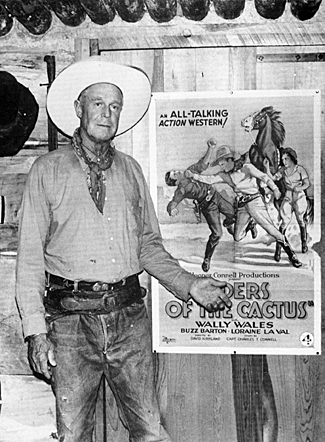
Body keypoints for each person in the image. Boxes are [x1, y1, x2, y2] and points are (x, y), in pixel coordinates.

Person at [15, 58, 231, 442]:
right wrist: (35, 332)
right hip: (69, 326)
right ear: (79, 109)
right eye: (97, 103)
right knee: (74, 434)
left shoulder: (131, 170)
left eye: (114, 106)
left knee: (149, 431)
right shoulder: (46, 171)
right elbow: (30, 259)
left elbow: (148, 246)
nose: (107, 113)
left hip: (129, 319)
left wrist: (191, 284)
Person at [186, 145, 302, 268]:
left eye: (222, 163)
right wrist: (193, 176)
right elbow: (209, 179)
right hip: (242, 206)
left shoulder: (247, 168)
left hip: (255, 203)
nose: (221, 166)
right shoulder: (224, 175)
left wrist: (275, 189)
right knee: (237, 237)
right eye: (220, 164)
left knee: (271, 230)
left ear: (230, 160)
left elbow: (264, 177)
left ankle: (292, 255)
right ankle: (251, 224)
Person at [165, 169, 236, 272]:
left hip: (216, 196)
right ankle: (207, 258)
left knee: (234, 215)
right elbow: (173, 202)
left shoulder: (189, 172)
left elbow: (201, 164)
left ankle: (228, 223)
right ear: (176, 182)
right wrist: (172, 210)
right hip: (209, 207)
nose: (178, 171)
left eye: (175, 171)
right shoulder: (181, 190)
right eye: (175, 174)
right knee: (217, 234)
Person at [264, 147, 311, 261]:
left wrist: (298, 188)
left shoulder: (300, 169)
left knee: (300, 219)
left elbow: (306, 184)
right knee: (284, 222)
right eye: (283, 159)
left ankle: (304, 243)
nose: (284, 162)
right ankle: (278, 249)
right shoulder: (282, 170)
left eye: (287, 159)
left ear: (292, 159)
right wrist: (266, 168)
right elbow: (273, 178)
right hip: (288, 196)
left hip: (299, 196)